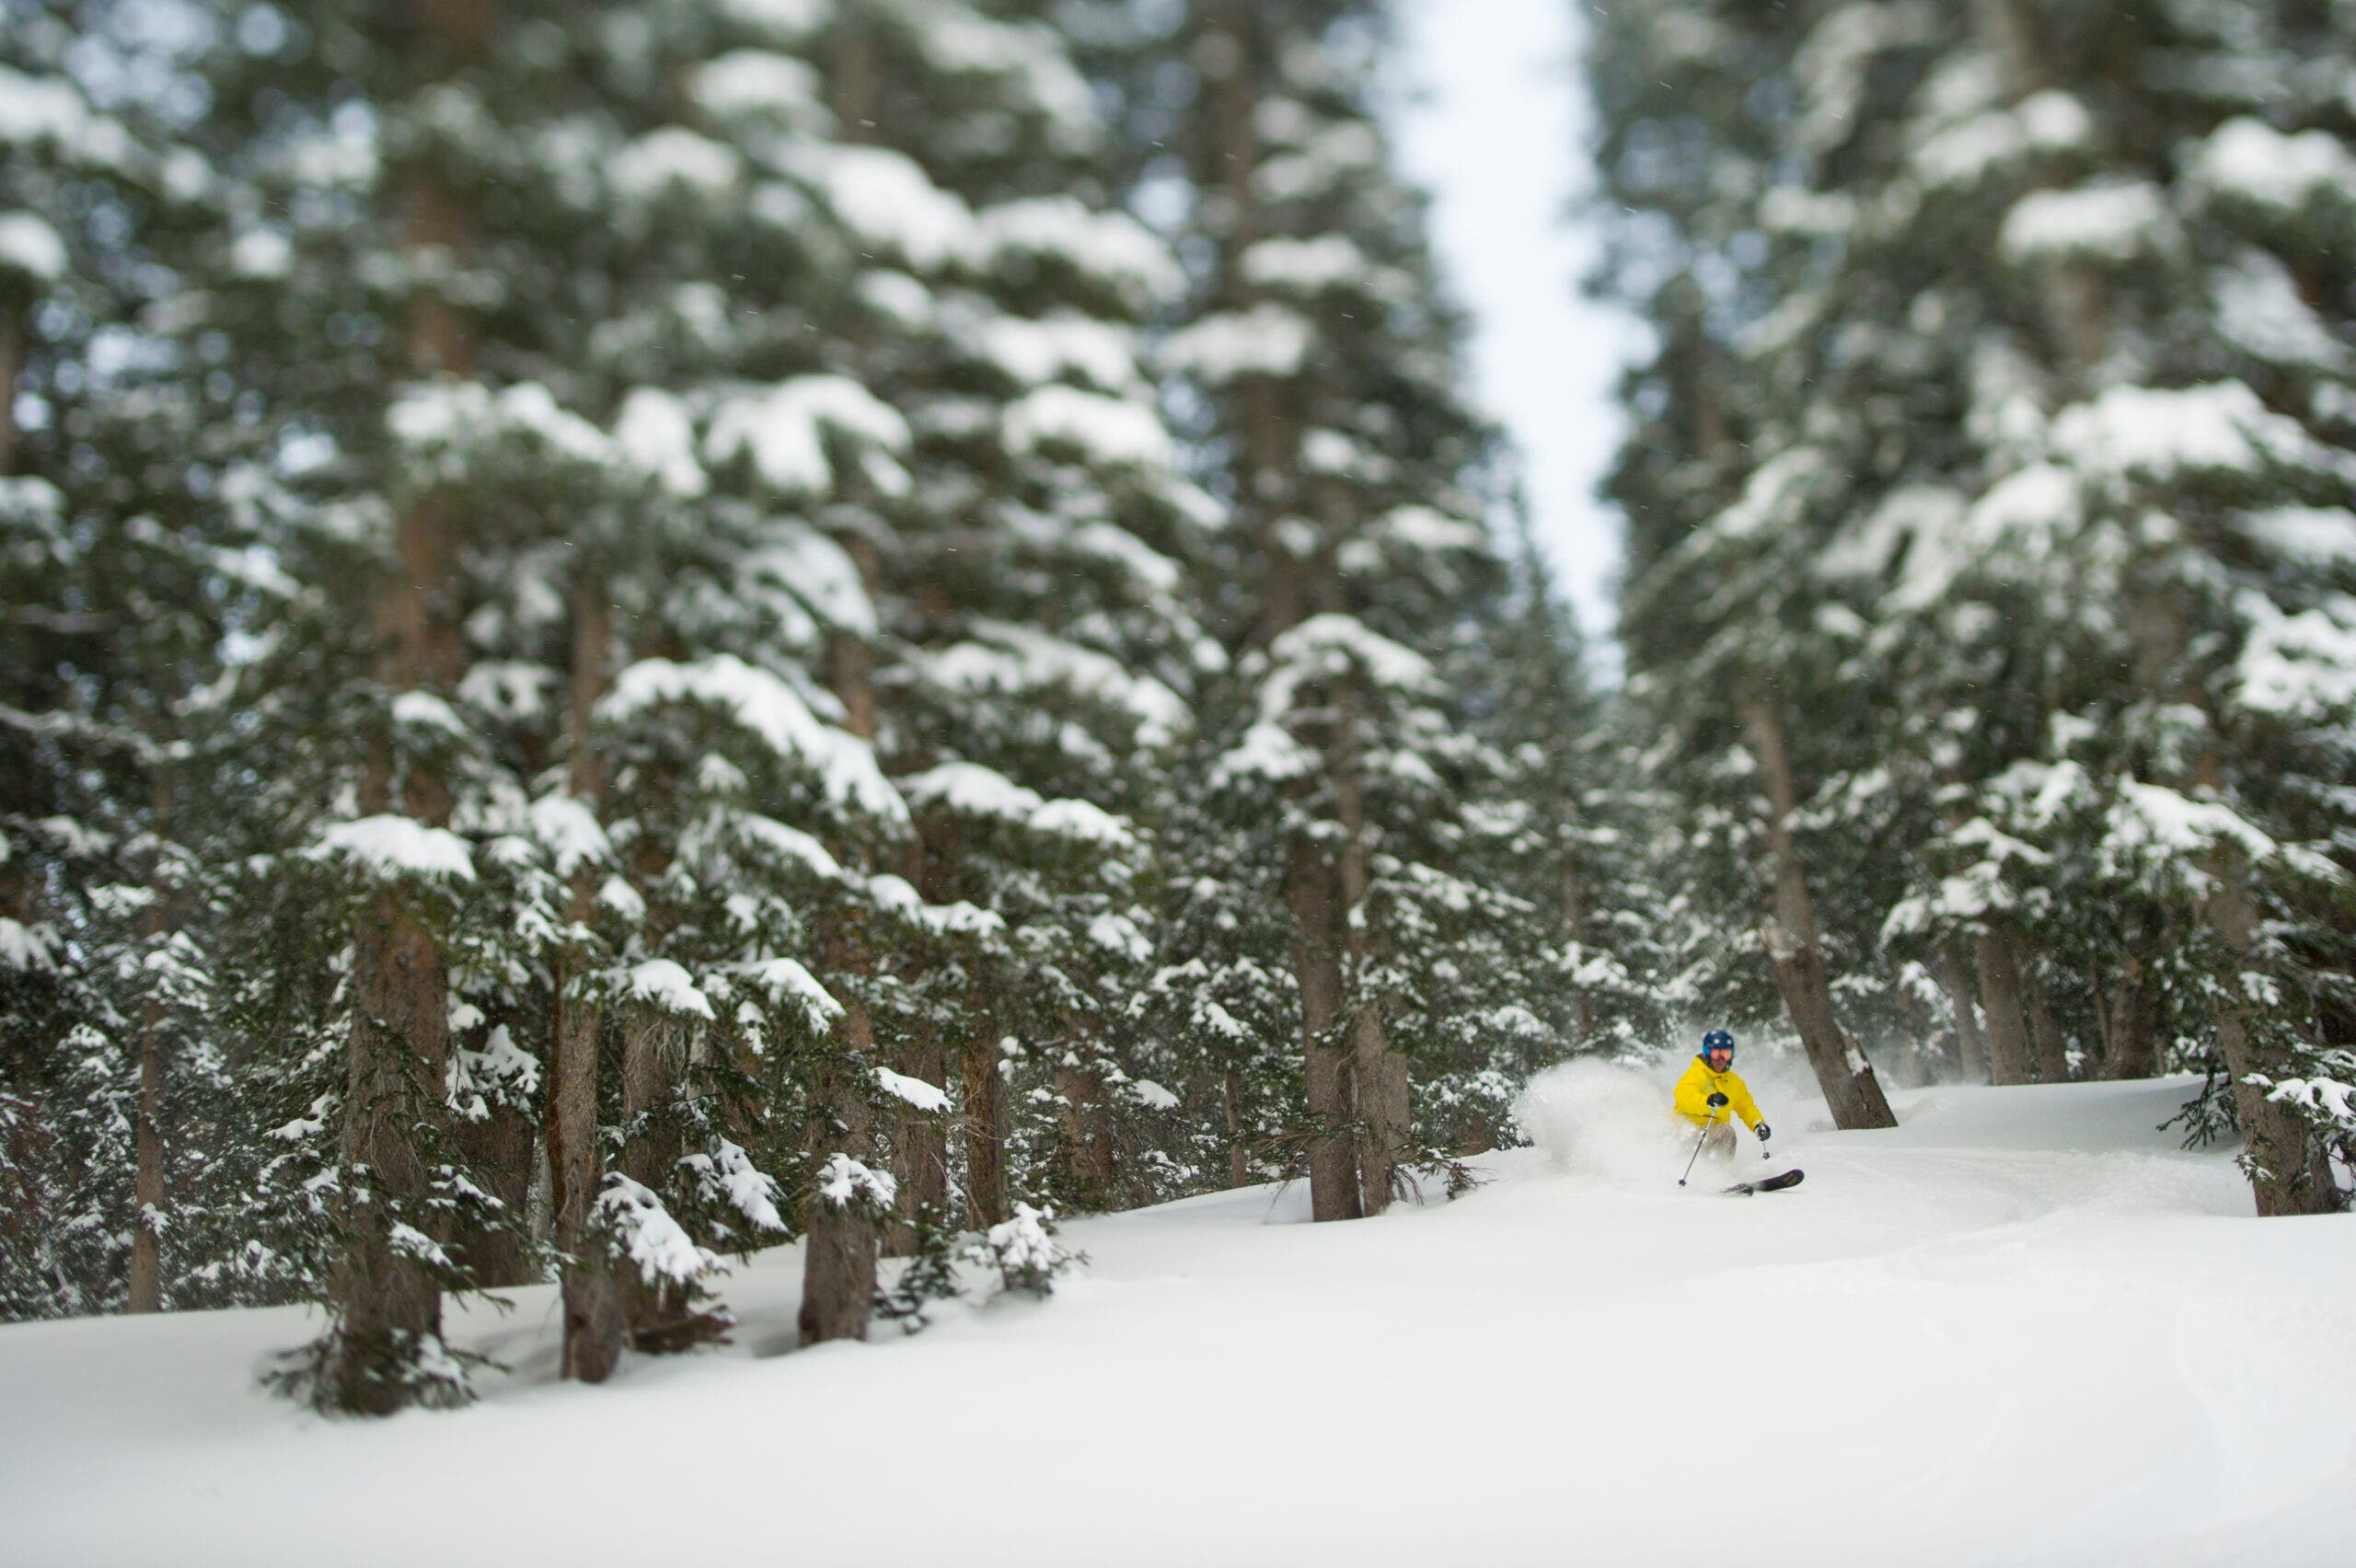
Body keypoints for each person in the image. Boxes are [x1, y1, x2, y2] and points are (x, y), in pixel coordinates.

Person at [1674, 1029, 1770, 1160]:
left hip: (1713, 1133)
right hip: (1688, 1131)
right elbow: (1684, 1097)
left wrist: (1758, 1124)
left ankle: (1722, 1173)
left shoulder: (1733, 1082)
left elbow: (1746, 1106)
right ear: (1708, 1054)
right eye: (1716, 1054)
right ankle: (1718, 1171)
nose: (1721, 1060)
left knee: (1725, 1132)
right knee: (1726, 1131)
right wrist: (1708, 1101)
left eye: (1725, 1054)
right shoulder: (1696, 1074)